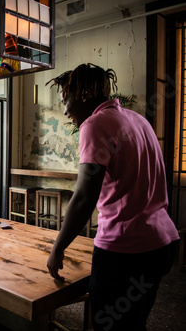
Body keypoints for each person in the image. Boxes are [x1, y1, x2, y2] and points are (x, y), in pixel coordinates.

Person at [45, 63, 180, 330]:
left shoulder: (95, 124)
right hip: (161, 245)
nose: (64, 110)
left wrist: (57, 249)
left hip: (126, 252)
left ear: (83, 95)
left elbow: (84, 197)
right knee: (133, 323)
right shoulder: (138, 120)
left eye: (65, 100)